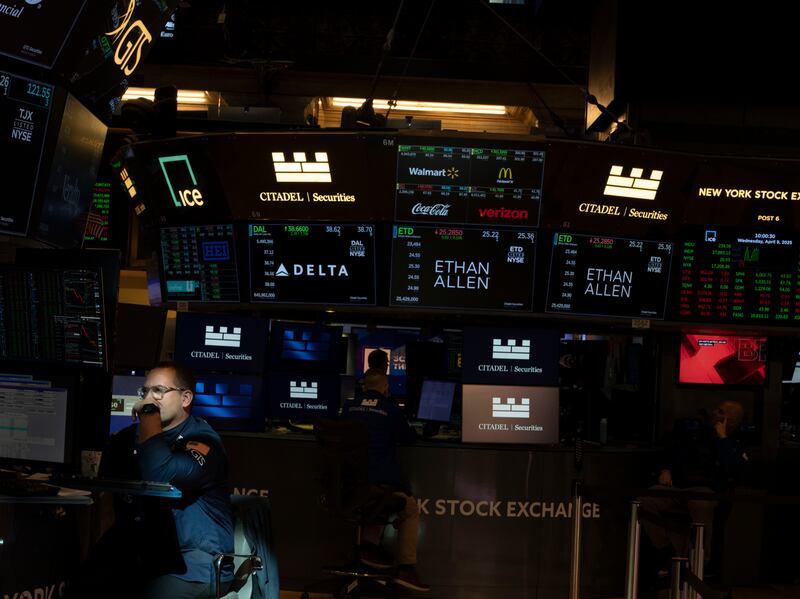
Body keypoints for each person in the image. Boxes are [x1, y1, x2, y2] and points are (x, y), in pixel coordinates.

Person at [72, 361, 234, 599]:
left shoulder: (204, 441)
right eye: (145, 392)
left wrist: (149, 415)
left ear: (186, 398)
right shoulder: (124, 440)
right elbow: (103, 492)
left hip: (195, 564)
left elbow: (160, 475)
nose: (148, 398)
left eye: (158, 391)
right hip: (139, 556)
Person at [341, 370, 430, 592]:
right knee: (408, 507)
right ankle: (407, 569)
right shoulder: (390, 410)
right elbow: (409, 438)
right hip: (377, 489)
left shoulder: (347, 408)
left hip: (347, 489)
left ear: (363, 387)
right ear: (386, 388)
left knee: (377, 498)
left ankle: (369, 548)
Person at [638, 400, 748, 579]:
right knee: (644, 502)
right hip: (678, 488)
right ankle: (669, 551)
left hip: (706, 491)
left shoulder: (735, 444)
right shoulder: (697, 435)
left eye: (720, 411)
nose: (714, 412)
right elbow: (673, 454)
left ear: (732, 420)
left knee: (700, 504)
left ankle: (699, 563)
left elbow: (733, 469)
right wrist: (666, 469)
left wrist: (723, 439)